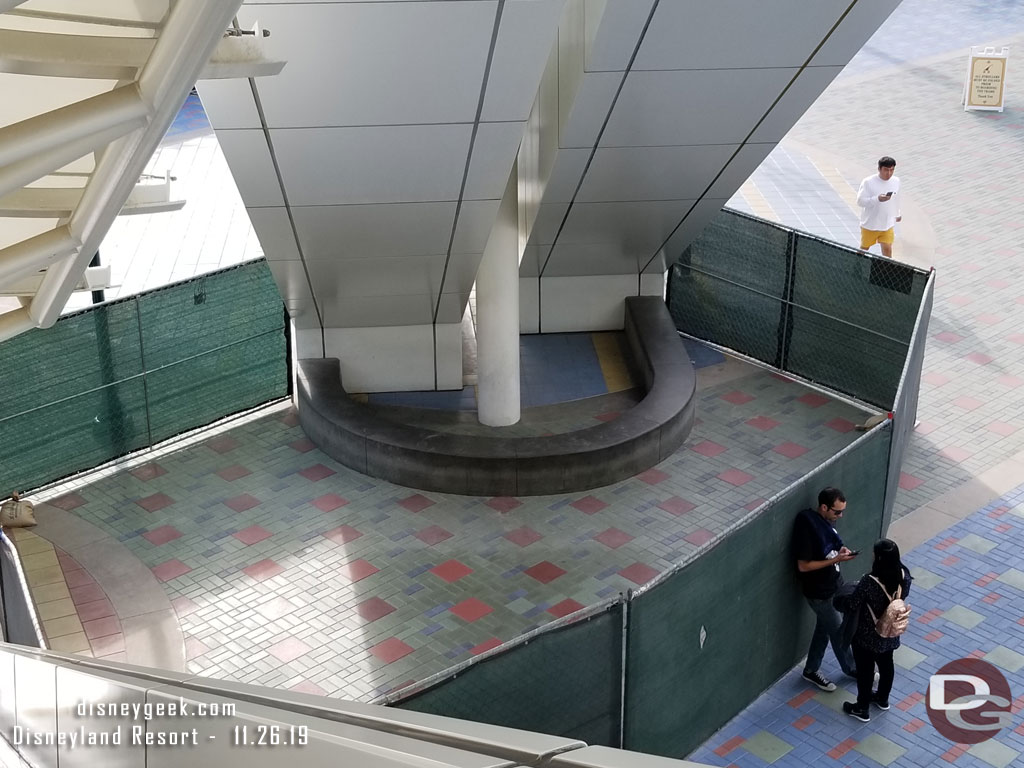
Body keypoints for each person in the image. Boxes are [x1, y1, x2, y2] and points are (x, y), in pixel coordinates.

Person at [792, 487, 858, 691]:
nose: (840, 515)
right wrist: (837, 559)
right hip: (820, 593)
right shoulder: (807, 527)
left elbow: (829, 550)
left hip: (834, 584)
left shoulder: (825, 524)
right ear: (823, 507)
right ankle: (853, 669)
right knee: (838, 632)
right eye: (837, 512)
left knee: (824, 630)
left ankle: (811, 670)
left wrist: (840, 552)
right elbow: (803, 566)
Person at [842, 539, 912, 723]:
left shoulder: (869, 581)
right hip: (890, 631)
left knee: (865, 671)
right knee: (887, 663)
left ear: (879, 557)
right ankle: (882, 698)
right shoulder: (904, 575)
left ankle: (861, 708)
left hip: (867, 635)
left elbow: (853, 604)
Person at [856, 156, 902, 258]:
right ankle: (857, 264)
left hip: (887, 224)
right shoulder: (868, 182)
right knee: (864, 248)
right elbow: (860, 201)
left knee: (887, 249)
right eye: (886, 170)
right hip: (871, 225)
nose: (889, 173)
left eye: (891, 170)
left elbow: (896, 198)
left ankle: (886, 270)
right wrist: (877, 199)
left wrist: (897, 213)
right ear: (879, 169)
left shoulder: (896, 181)